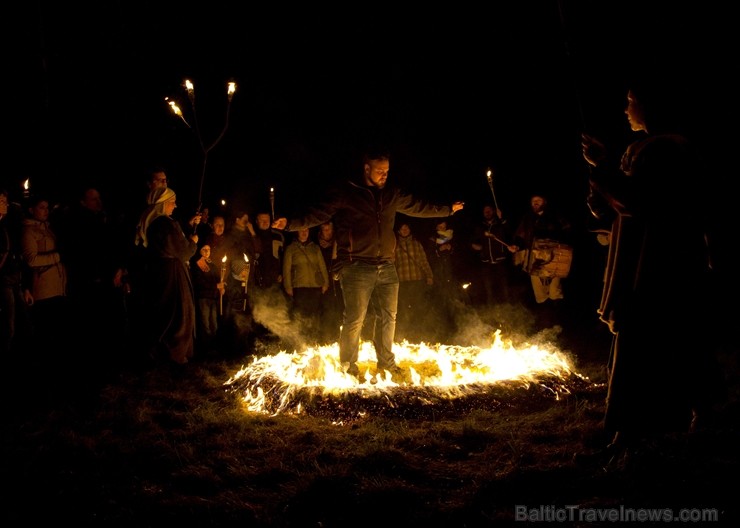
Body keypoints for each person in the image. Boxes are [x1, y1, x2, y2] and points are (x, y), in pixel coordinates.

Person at [580, 75, 720, 455]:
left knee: (645, 340)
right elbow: (617, 208)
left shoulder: (668, 148)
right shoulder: (643, 147)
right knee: (661, 339)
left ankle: (631, 432)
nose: (626, 109)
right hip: (641, 253)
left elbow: (642, 202)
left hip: (660, 259)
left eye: (630, 100)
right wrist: (599, 180)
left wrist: (604, 168)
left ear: (649, 105)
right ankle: (648, 426)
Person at [272, 145, 464, 380]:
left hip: (387, 265)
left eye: (387, 170)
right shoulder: (347, 192)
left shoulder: (392, 194)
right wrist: (291, 223)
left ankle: (386, 363)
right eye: (380, 170)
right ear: (366, 169)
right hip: (356, 266)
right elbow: (319, 214)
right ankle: (348, 366)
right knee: (355, 318)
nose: (385, 174)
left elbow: (419, 207)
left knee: (388, 316)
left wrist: (447, 210)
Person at [135, 187, 199, 366]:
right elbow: (183, 252)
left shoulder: (157, 223)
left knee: (166, 313)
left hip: (162, 273)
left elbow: (172, 243)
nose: (175, 205)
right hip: (173, 275)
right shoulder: (165, 224)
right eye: (172, 202)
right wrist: (193, 243)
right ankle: (175, 354)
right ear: (163, 204)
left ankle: (166, 353)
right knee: (179, 313)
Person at [511, 194, 572, 324]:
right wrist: (516, 245)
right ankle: (545, 321)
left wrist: (551, 239)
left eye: (538, 200)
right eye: (533, 201)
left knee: (554, 290)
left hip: (553, 257)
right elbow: (520, 235)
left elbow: (567, 229)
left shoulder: (554, 215)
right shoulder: (528, 218)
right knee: (539, 291)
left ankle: (559, 322)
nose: (535, 203)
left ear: (544, 201)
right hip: (534, 259)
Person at [0, 188, 33, 361]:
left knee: (22, 320)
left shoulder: (10, 222)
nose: (3, 205)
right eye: (0, 202)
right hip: (4, 279)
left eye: (4, 201)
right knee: (9, 324)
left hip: (15, 277)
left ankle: (19, 357)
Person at [282, 227, 328, 345]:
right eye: (301, 230)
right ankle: (302, 342)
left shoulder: (315, 248)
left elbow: (322, 266)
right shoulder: (291, 248)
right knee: (301, 315)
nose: (304, 233)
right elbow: (286, 269)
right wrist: (288, 285)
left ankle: (315, 341)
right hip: (299, 287)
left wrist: (326, 282)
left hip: (315, 286)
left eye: (306, 231)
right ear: (297, 232)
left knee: (315, 315)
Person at [469, 204, 516, 307]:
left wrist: (502, 218)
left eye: (489, 210)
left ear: (494, 211)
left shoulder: (500, 224)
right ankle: (491, 311)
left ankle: (508, 309)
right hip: (486, 263)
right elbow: (473, 241)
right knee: (489, 291)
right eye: (485, 211)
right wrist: (475, 246)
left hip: (501, 262)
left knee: (505, 289)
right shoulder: (480, 227)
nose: (487, 212)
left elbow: (510, 231)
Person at [394, 222, 433, 342]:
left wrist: (429, 275)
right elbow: (392, 264)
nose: (405, 230)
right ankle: (404, 335)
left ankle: (418, 334)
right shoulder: (394, 245)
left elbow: (423, 261)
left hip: (416, 280)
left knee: (417, 308)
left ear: (410, 230)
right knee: (403, 309)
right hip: (402, 281)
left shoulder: (416, 244)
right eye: (402, 228)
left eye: (407, 228)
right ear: (399, 231)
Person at [317, 220, 342, 344]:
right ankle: (325, 338)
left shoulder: (337, 243)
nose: (328, 232)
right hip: (321, 282)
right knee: (325, 310)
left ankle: (336, 337)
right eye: (325, 230)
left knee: (336, 308)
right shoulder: (317, 245)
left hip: (336, 281)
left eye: (330, 230)